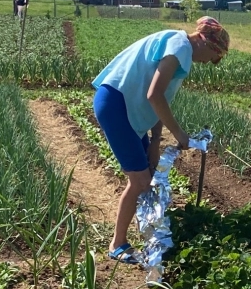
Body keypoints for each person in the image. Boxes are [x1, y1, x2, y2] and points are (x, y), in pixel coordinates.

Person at [92, 17, 230, 264]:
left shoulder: (177, 45)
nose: (210, 61)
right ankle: (117, 244)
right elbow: (154, 95)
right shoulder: (180, 49)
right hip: (117, 105)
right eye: (213, 55)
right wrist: (180, 135)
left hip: (127, 107)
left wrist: (155, 141)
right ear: (204, 41)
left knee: (148, 174)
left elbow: (158, 98)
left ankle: (146, 235)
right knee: (140, 180)